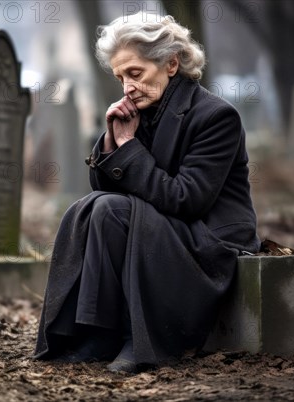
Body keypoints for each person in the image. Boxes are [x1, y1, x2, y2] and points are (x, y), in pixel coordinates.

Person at [34, 12, 260, 374]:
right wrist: (113, 141)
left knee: (110, 210)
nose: (127, 86)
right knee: (91, 207)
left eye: (135, 73)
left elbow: (187, 199)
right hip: (168, 227)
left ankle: (133, 337)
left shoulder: (217, 117)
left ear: (171, 64)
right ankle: (96, 333)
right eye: (120, 76)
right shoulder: (142, 112)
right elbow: (108, 191)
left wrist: (128, 147)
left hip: (210, 241)